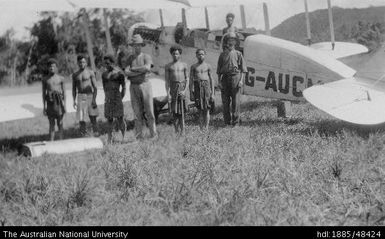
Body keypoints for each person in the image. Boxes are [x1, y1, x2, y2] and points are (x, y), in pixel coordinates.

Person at [125, 34, 157, 139]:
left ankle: (153, 135)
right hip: (133, 86)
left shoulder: (146, 56)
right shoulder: (130, 58)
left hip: (145, 85)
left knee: (150, 112)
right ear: (132, 46)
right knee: (137, 113)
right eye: (135, 45)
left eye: (138, 45)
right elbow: (126, 72)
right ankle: (139, 136)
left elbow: (147, 68)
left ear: (141, 46)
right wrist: (139, 71)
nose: (137, 47)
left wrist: (134, 69)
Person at [217, 32, 247, 126]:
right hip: (225, 78)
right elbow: (219, 70)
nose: (231, 42)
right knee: (225, 102)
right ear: (226, 41)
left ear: (235, 42)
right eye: (229, 40)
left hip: (235, 78)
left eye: (233, 40)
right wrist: (219, 82)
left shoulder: (238, 54)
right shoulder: (222, 55)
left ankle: (236, 122)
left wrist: (241, 81)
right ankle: (227, 122)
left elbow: (243, 69)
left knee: (236, 101)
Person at [72, 55, 99, 136]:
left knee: (93, 116)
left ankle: (96, 133)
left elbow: (95, 87)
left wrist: (94, 99)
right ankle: (83, 134)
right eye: (80, 62)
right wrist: (74, 100)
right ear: (78, 63)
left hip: (90, 95)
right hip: (80, 96)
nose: (81, 64)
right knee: (81, 118)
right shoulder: (75, 75)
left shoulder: (90, 72)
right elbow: (73, 89)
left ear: (86, 63)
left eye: (83, 62)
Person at [102, 54, 126, 144]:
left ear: (112, 63)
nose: (106, 65)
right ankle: (109, 139)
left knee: (120, 118)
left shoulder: (119, 73)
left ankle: (124, 137)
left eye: (108, 63)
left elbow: (124, 87)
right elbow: (104, 87)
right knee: (109, 119)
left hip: (117, 97)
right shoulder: (104, 74)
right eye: (105, 64)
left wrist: (120, 97)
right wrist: (107, 96)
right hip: (108, 98)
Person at [165, 44, 189, 135]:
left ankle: (183, 131)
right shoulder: (168, 66)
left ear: (180, 54)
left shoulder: (184, 65)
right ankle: (176, 131)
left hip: (182, 88)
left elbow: (187, 79)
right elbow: (167, 81)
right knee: (174, 112)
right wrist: (168, 94)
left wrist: (184, 91)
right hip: (173, 89)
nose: (175, 55)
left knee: (182, 111)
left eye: (177, 54)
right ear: (171, 54)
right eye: (174, 54)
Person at [42, 58, 66, 141]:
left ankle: (61, 140)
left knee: (60, 123)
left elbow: (64, 93)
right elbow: (43, 94)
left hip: (59, 102)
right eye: (50, 66)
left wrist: (65, 105)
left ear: (56, 68)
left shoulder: (61, 78)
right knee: (51, 123)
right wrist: (44, 107)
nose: (52, 68)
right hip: (50, 103)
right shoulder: (45, 79)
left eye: (53, 66)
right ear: (48, 68)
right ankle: (51, 141)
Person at [190, 49, 214, 130]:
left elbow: (211, 79)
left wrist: (212, 93)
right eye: (199, 54)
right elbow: (191, 80)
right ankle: (201, 128)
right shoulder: (193, 67)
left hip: (206, 87)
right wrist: (191, 92)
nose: (201, 56)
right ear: (196, 55)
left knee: (207, 109)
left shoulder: (208, 66)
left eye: (202, 54)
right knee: (199, 110)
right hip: (197, 87)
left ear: (205, 55)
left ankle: (206, 128)